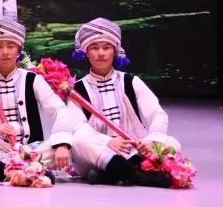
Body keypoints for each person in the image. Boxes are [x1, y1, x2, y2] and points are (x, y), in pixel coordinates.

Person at [0, 17, 76, 180]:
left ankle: (5, 170)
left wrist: (62, 143)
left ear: (19, 50)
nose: (5, 52)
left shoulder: (32, 79)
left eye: (10, 46)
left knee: (70, 143)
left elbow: (59, 109)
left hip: (32, 149)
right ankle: (13, 168)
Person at [69, 18, 176, 188]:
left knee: (172, 143)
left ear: (115, 51)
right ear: (86, 52)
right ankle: (138, 176)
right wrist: (107, 141)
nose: (101, 53)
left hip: (133, 149)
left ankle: (108, 176)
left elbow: (158, 115)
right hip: (98, 151)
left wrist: (150, 141)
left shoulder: (131, 82)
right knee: (79, 139)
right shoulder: (76, 89)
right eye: (94, 48)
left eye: (106, 47)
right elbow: (78, 126)